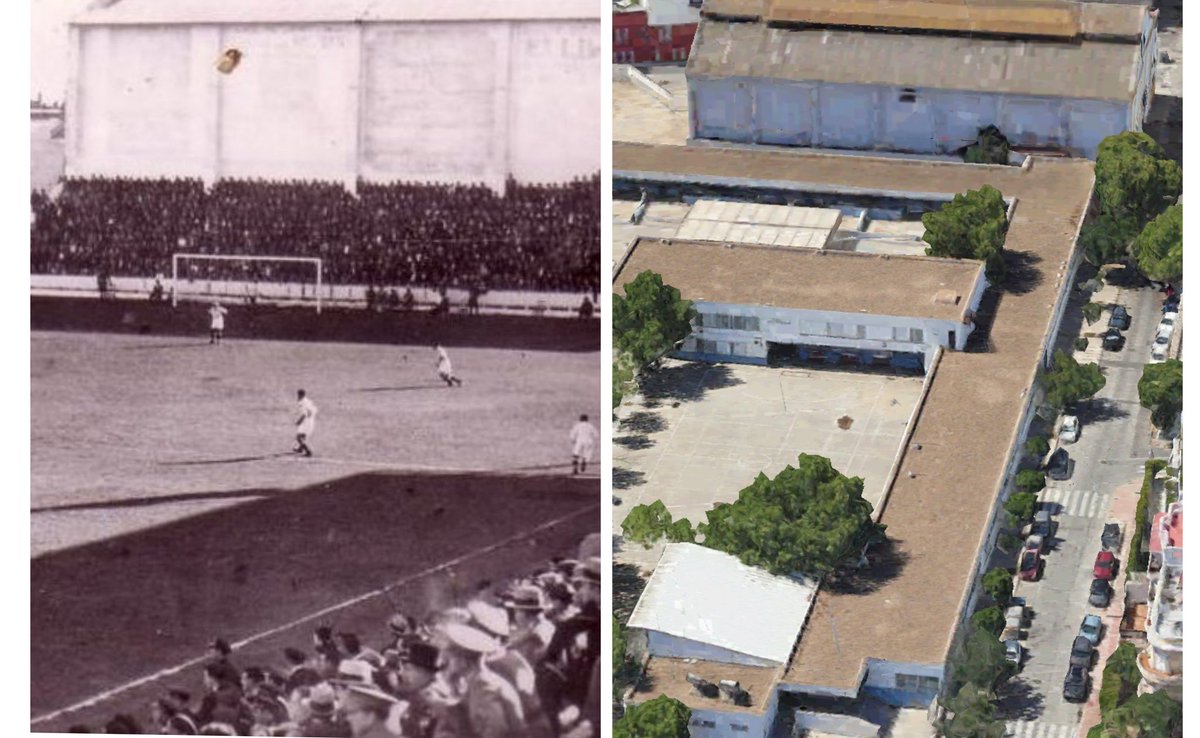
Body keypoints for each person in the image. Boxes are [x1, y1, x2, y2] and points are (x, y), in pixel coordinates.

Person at [294, 390, 317, 458]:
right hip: (311, 420)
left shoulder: (301, 403)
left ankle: (308, 451)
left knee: (298, 437)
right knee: (302, 436)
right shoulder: (308, 401)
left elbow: (304, 414)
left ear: (299, 395)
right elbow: (315, 410)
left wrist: (299, 421)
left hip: (306, 422)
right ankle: (300, 449)